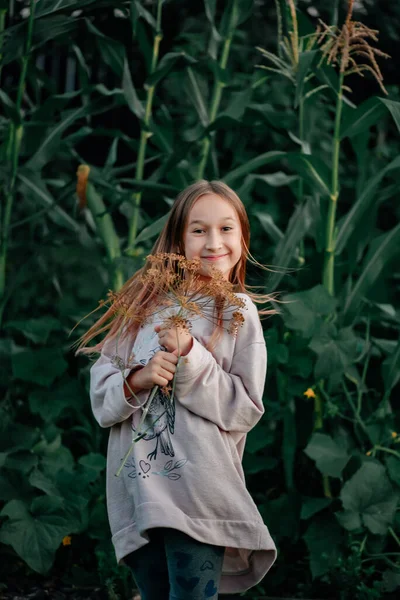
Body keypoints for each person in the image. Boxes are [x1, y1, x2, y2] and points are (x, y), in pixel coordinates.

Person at [78, 180, 277, 599]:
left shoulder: (238, 311)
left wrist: (191, 355)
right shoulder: (143, 304)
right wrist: (139, 378)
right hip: (138, 490)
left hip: (198, 492)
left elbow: (244, 409)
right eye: (199, 230)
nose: (213, 242)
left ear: (242, 237)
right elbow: (102, 394)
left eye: (226, 229)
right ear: (178, 239)